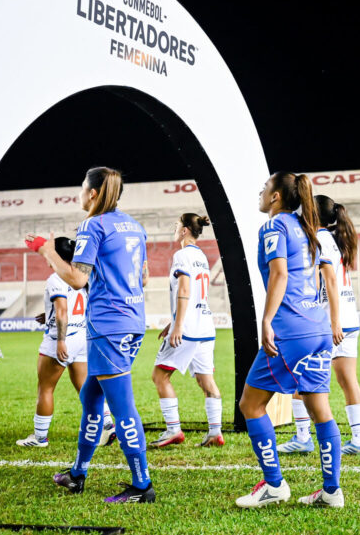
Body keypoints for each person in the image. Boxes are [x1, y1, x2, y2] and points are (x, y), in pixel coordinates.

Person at [26, 166, 155, 503]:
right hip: (131, 320)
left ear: (93, 193)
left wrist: (46, 250)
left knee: (122, 407)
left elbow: (77, 279)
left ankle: (142, 485)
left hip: (108, 326)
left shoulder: (92, 225)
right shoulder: (135, 227)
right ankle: (77, 473)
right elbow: (143, 279)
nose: (80, 194)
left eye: (83, 188)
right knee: (91, 400)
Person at [235, 172, 344, 508]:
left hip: (290, 330)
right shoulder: (308, 227)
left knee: (250, 406)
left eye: (265, 188)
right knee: (319, 409)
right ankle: (331, 492)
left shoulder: (273, 226)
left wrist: (267, 320)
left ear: (276, 198)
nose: (261, 192)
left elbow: (280, 273)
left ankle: (274, 486)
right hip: (318, 328)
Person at [279, 195, 360, 456]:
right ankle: (359, 440)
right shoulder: (333, 239)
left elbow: (330, 281)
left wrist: (333, 322)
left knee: (301, 376)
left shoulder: (319, 240)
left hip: (332, 323)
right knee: (347, 380)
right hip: (347, 320)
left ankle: (302, 437)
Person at [16, 237, 115, 448]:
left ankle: (39, 438)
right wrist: (48, 313)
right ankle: (107, 425)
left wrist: (61, 341)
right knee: (84, 387)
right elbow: (72, 307)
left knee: (45, 388)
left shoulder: (56, 278)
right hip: (82, 337)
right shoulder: (81, 277)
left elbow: (62, 311)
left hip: (62, 339)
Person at [150, 213, 225, 448]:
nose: (175, 228)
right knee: (207, 381)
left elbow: (184, 289)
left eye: (177, 225)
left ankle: (173, 430)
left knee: (160, 376)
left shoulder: (181, 255)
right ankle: (215, 432)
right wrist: (173, 321)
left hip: (189, 329)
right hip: (205, 327)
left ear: (184, 231)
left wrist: (179, 325)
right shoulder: (201, 256)